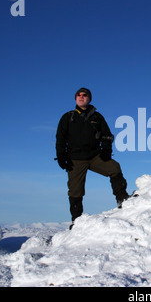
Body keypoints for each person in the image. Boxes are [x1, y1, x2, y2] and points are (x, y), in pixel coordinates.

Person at [56, 87, 130, 228]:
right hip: (75, 159)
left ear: (89, 98)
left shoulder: (97, 117)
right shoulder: (68, 117)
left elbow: (107, 135)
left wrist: (106, 149)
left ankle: (122, 199)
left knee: (114, 168)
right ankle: (77, 221)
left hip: (95, 156)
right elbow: (60, 138)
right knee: (75, 189)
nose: (81, 97)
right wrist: (61, 155)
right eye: (78, 95)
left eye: (85, 95)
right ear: (75, 98)